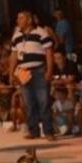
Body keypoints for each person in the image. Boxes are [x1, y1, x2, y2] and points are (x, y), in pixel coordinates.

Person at [10, 10, 56, 141]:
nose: (18, 20)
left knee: (43, 102)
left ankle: (48, 131)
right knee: (28, 103)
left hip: (39, 70)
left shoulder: (41, 32)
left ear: (29, 20)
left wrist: (49, 71)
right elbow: (13, 55)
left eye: (21, 18)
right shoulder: (16, 35)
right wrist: (11, 72)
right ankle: (33, 130)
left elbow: (49, 52)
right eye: (18, 18)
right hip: (23, 71)